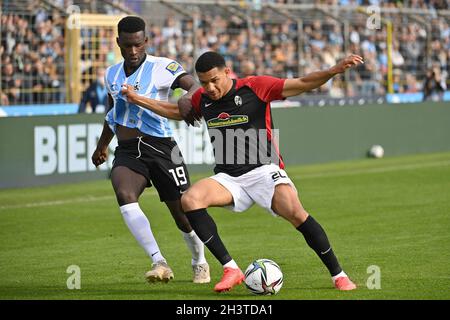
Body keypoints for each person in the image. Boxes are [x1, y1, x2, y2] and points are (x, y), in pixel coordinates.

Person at [170, 51, 363, 292]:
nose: (209, 87)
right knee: (190, 199)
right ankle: (231, 268)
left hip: (263, 170)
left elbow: (303, 83)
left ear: (227, 73)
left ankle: (339, 275)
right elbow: (177, 112)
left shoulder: (255, 87)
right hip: (229, 178)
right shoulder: (202, 97)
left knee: (295, 211)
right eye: (204, 82)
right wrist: (137, 100)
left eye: (214, 80)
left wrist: (334, 70)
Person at [91, 16, 210, 285]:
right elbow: (113, 112)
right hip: (128, 149)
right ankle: (159, 261)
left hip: (162, 148)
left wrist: (188, 100)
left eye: (138, 45)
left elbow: (192, 85)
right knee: (124, 192)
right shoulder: (112, 74)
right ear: (118, 42)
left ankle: (199, 262)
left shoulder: (163, 67)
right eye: (127, 46)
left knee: (183, 214)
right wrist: (102, 146)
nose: (133, 52)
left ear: (145, 41)